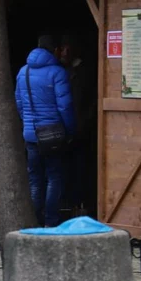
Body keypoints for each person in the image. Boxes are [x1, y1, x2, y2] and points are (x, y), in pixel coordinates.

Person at [16, 34, 76, 228]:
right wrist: (69, 130)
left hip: (31, 135)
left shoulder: (23, 72)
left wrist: (28, 123)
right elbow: (65, 106)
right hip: (53, 134)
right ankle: (51, 220)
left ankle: (34, 220)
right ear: (55, 50)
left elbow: (19, 103)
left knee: (35, 180)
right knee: (54, 177)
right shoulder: (58, 72)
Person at [58, 34, 96, 214]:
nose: (63, 52)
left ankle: (80, 205)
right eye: (62, 48)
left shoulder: (84, 72)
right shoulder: (64, 72)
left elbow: (89, 103)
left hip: (80, 130)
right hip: (69, 128)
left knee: (81, 168)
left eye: (67, 48)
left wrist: (81, 126)